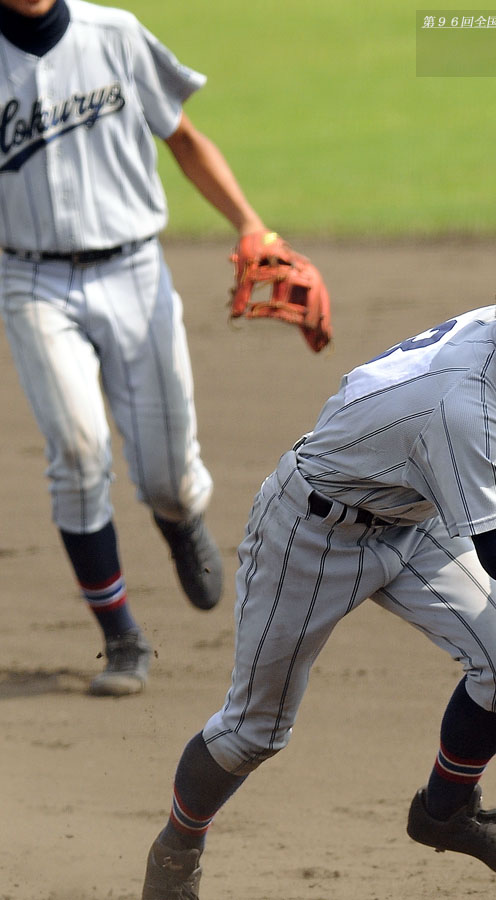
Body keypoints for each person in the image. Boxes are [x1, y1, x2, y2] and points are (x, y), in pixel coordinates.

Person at [140, 210, 496, 897]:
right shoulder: (464, 404)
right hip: (312, 532)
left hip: (416, 516)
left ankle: (446, 811)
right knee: (254, 732)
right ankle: (178, 847)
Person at [0, 0, 293, 696]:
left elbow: (183, 138)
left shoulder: (116, 34)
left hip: (134, 272)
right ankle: (121, 634)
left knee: (164, 474)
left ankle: (177, 514)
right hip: (29, 280)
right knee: (77, 451)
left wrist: (250, 224)